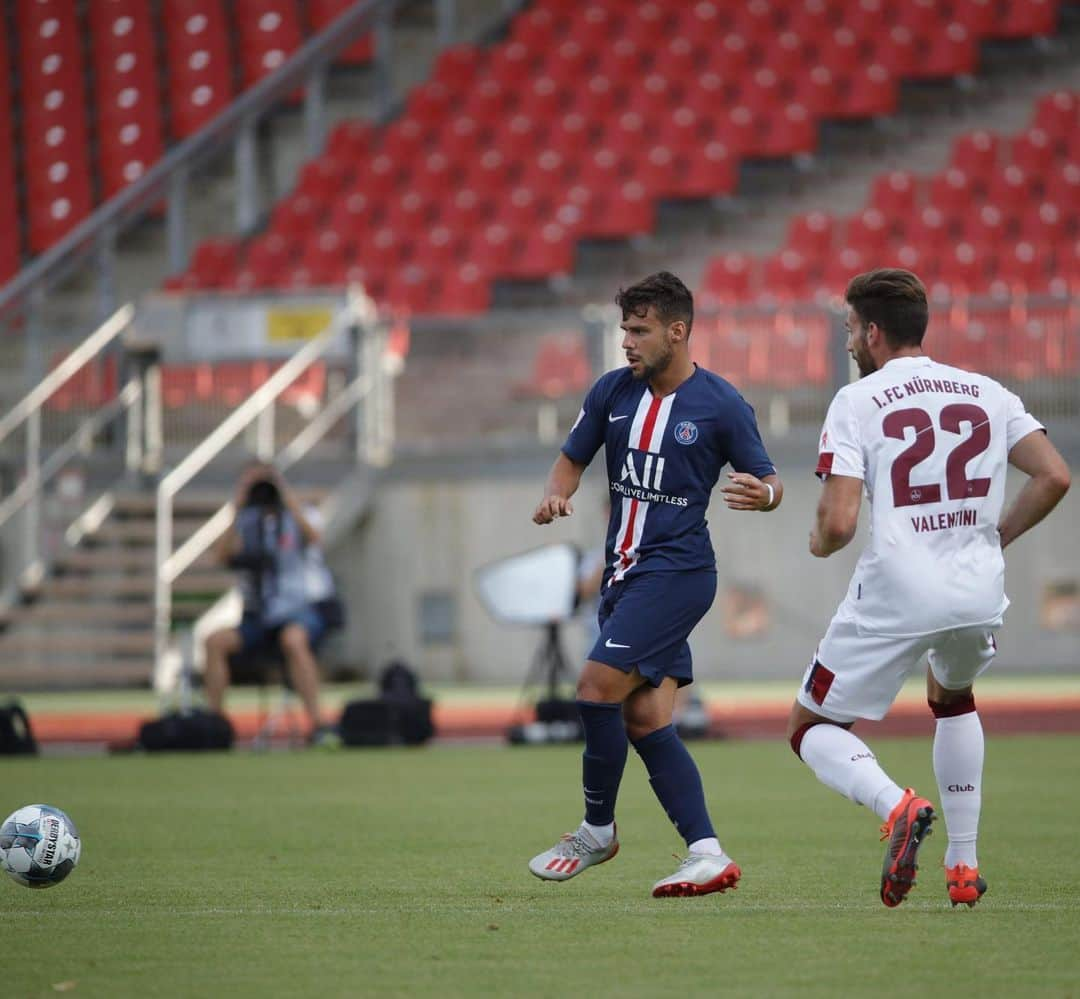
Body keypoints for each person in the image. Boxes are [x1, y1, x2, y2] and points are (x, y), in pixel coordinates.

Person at [787, 268, 1070, 908]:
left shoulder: (856, 400)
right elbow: (1053, 476)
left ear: (874, 331)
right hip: (976, 590)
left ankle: (897, 806)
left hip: (897, 590)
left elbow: (837, 522)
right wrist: (995, 538)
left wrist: (818, 542)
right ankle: (963, 867)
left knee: (810, 727)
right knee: (953, 695)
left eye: (852, 330)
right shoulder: (987, 392)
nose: (850, 342)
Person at [527, 271, 784, 897]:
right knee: (645, 721)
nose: (628, 343)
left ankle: (596, 829)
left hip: (676, 572)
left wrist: (766, 494)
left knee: (594, 690)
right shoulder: (612, 392)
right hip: (623, 577)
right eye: (624, 330)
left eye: (640, 331)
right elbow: (573, 457)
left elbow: (769, 477)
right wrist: (556, 495)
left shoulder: (721, 404)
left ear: (679, 331)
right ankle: (706, 852)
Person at [203, 462, 341, 746]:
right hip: (260, 616)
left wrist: (287, 499)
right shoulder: (246, 523)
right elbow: (220, 557)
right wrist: (238, 508)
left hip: (299, 611)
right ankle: (214, 727)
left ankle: (318, 724)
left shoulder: (300, 516)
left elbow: (315, 538)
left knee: (293, 639)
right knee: (215, 642)